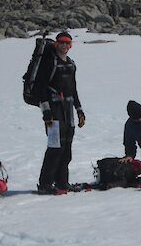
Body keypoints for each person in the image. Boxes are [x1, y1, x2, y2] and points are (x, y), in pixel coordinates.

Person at [36, 31, 85, 194]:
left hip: (68, 111)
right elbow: (40, 88)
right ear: (57, 44)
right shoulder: (49, 62)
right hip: (53, 110)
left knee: (66, 147)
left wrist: (79, 109)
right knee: (54, 147)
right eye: (61, 42)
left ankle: (62, 182)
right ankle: (45, 184)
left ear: (70, 45)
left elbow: (73, 88)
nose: (64, 45)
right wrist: (46, 112)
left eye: (67, 43)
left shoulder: (71, 64)